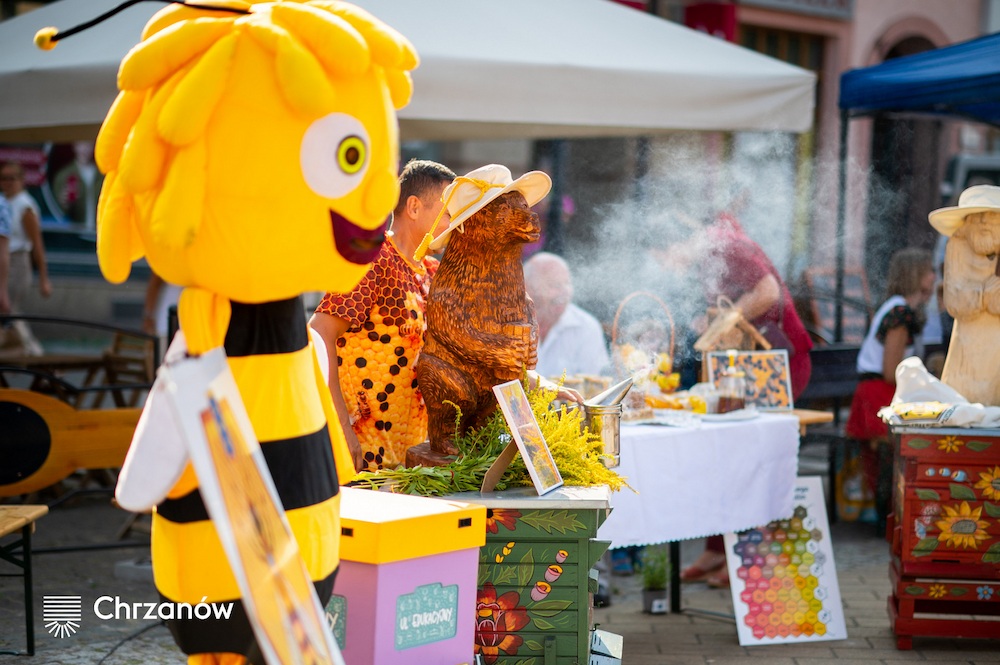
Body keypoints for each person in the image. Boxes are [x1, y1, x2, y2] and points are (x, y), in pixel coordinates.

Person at [656, 211, 813, 587]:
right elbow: (731, 299)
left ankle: (749, 554)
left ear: (679, 241)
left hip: (778, 363)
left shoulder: (728, 245)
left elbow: (768, 292)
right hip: (745, 366)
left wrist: (722, 323)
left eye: (664, 257)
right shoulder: (709, 254)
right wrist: (708, 320)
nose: (668, 267)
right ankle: (717, 549)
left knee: (752, 457)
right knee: (725, 454)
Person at [310, 159, 456, 472]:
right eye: (447, 213)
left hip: (409, 462)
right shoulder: (373, 258)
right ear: (414, 208)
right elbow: (320, 334)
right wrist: (341, 429)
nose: (452, 223)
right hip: (362, 455)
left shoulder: (433, 271)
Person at [846, 248, 934, 531]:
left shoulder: (900, 308)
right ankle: (896, 516)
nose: (935, 277)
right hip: (880, 394)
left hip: (879, 392)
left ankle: (897, 514)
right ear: (917, 275)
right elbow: (891, 369)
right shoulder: (899, 312)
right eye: (930, 271)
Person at [523, 251, 610, 379]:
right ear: (528, 288)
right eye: (555, 285)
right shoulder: (506, 323)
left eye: (567, 283)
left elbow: (597, 388)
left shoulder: (586, 327)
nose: (565, 292)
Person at [0, 161, 51, 355]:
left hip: (18, 262)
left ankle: (35, 355)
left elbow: (37, 243)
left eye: (12, 178)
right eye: (4, 178)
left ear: (21, 180)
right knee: (10, 312)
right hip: (5, 261)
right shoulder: (4, 202)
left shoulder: (24, 205)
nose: (8, 182)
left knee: (9, 310)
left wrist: (44, 279)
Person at [52, 141, 104, 230]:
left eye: (88, 144)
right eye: (81, 144)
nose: (84, 149)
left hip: (99, 231)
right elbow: (57, 211)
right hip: (74, 233)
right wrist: (64, 203)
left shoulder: (102, 175)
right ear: (74, 146)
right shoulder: (63, 175)